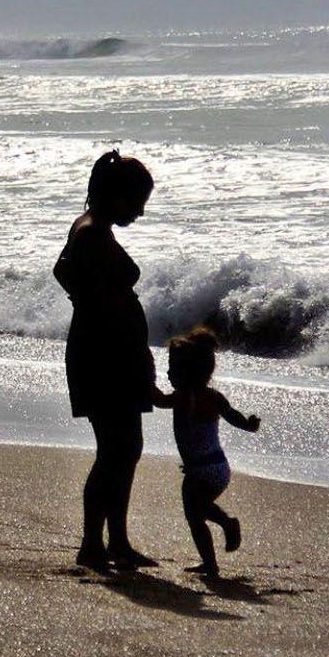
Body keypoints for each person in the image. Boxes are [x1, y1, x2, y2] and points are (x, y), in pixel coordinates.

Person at [53, 150, 160, 571]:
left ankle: (115, 541)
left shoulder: (89, 227)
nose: (140, 212)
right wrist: (130, 350)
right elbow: (78, 282)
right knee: (116, 449)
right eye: (137, 202)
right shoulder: (92, 233)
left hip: (103, 351)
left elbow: (63, 273)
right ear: (117, 196)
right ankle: (93, 543)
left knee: (124, 448)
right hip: (105, 356)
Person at [153, 327, 261, 577]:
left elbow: (159, 401)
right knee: (199, 508)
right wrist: (249, 425)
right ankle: (213, 553)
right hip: (219, 468)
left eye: (173, 369)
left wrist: (144, 382)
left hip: (200, 470)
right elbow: (232, 416)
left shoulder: (183, 397)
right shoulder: (214, 396)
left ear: (189, 372)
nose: (168, 373)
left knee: (194, 514)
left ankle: (222, 534)